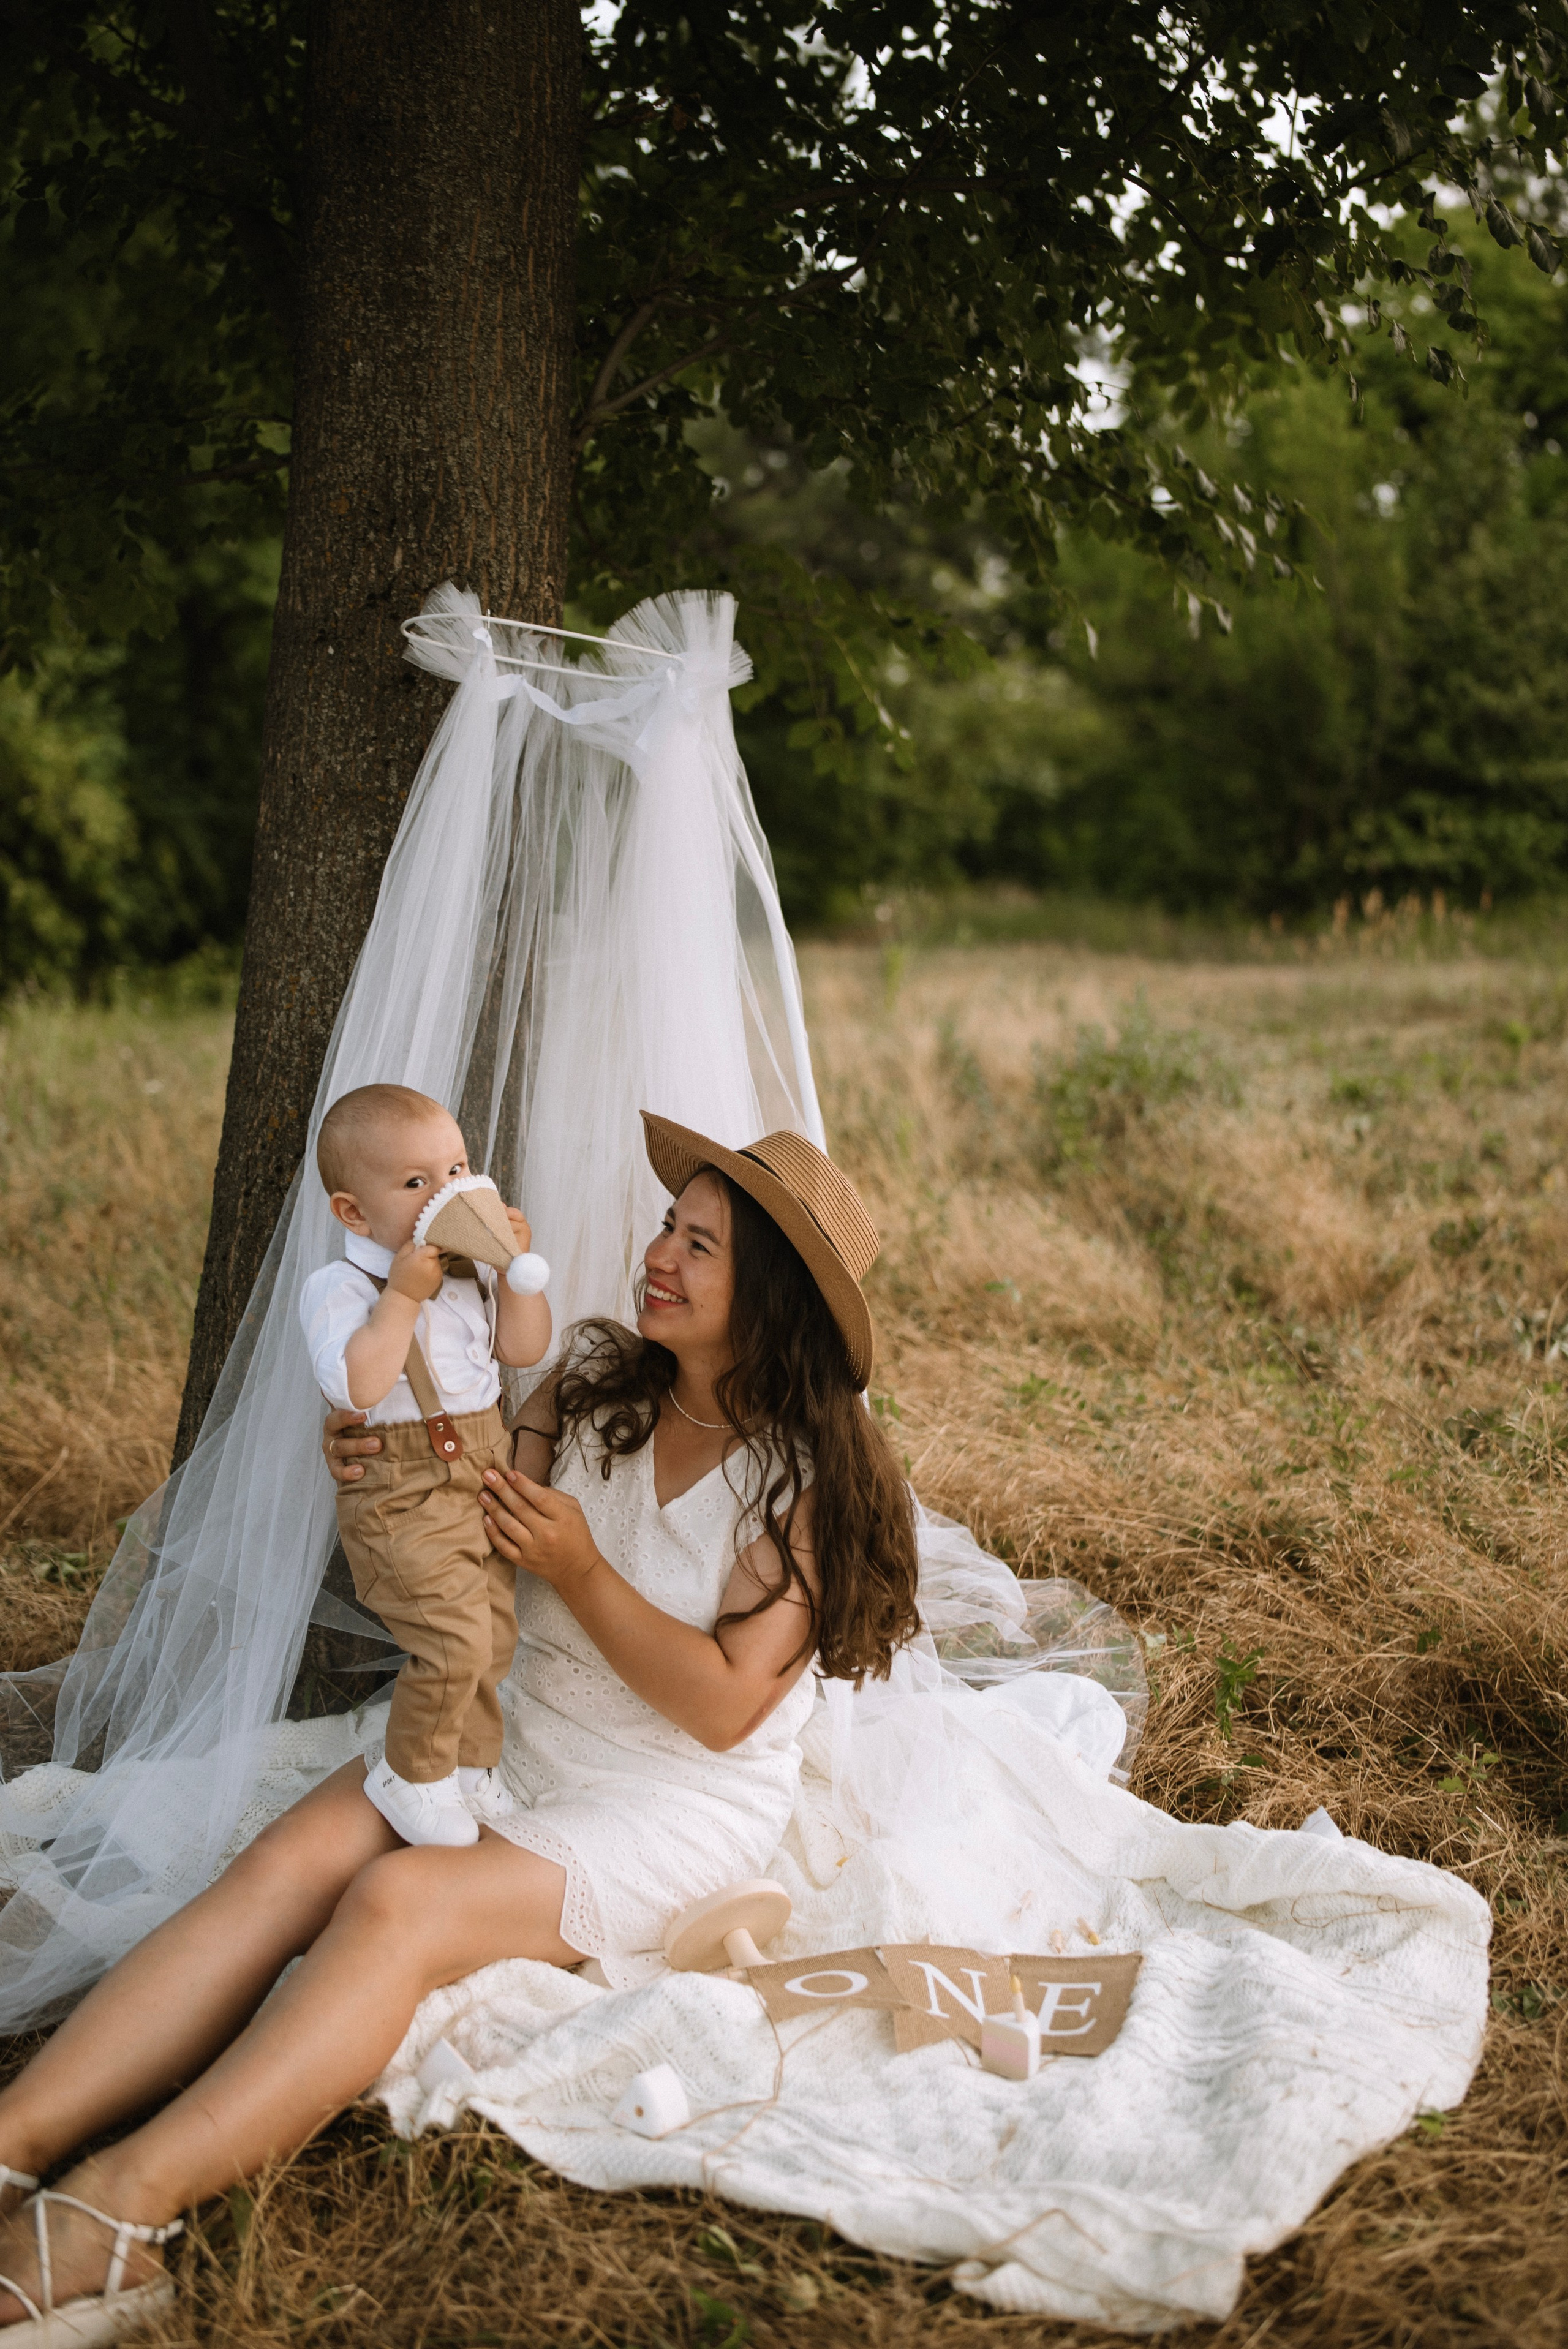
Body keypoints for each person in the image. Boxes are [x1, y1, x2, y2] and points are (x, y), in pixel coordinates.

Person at [0, 1118, 917, 2342]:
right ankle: (17, 2139)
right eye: (667, 1227)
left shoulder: (805, 1482)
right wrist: (381, 1458)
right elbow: (465, 1502)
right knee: (288, 1860)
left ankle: (118, 2213)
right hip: (509, 1725)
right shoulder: (595, 1391)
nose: (658, 1255)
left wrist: (584, 1570)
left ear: (775, 1304)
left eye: (699, 1246)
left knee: (394, 1904)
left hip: (663, 1801)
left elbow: (722, 1707)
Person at [298, 1084, 552, 1849]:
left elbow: (522, 1350)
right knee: (451, 1641)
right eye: (417, 1183)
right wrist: (403, 1298)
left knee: (493, 1632)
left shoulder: (472, 1273)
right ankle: (410, 1773)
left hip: (481, 1465)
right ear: (353, 1212)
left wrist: (512, 1269)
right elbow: (358, 1383)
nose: (446, 1193)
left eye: (458, 1170)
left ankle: (469, 1764)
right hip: (401, 1489)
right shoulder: (343, 1287)